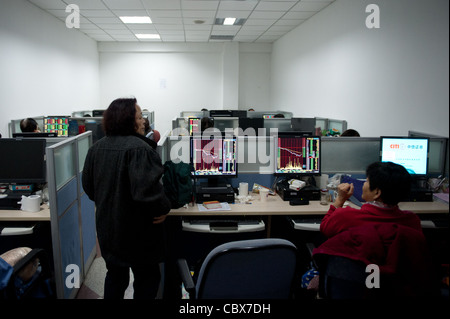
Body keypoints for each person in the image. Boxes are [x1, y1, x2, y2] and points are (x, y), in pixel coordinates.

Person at [82, 97, 171, 299]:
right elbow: (149, 194)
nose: (143, 122)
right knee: (147, 279)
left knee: (115, 277)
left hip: (109, 229)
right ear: (128, 120)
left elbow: (88, 187)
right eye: (140, 118)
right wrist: (164, 208)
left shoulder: (95, 149)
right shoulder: (141, 149)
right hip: (139, 234)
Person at [320, 161, 421, 237]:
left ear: (377, 193)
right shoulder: (412, 221)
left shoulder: (346, 216)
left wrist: (340, 200)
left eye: (367, 181)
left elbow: (325, 228)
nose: (363, 183)